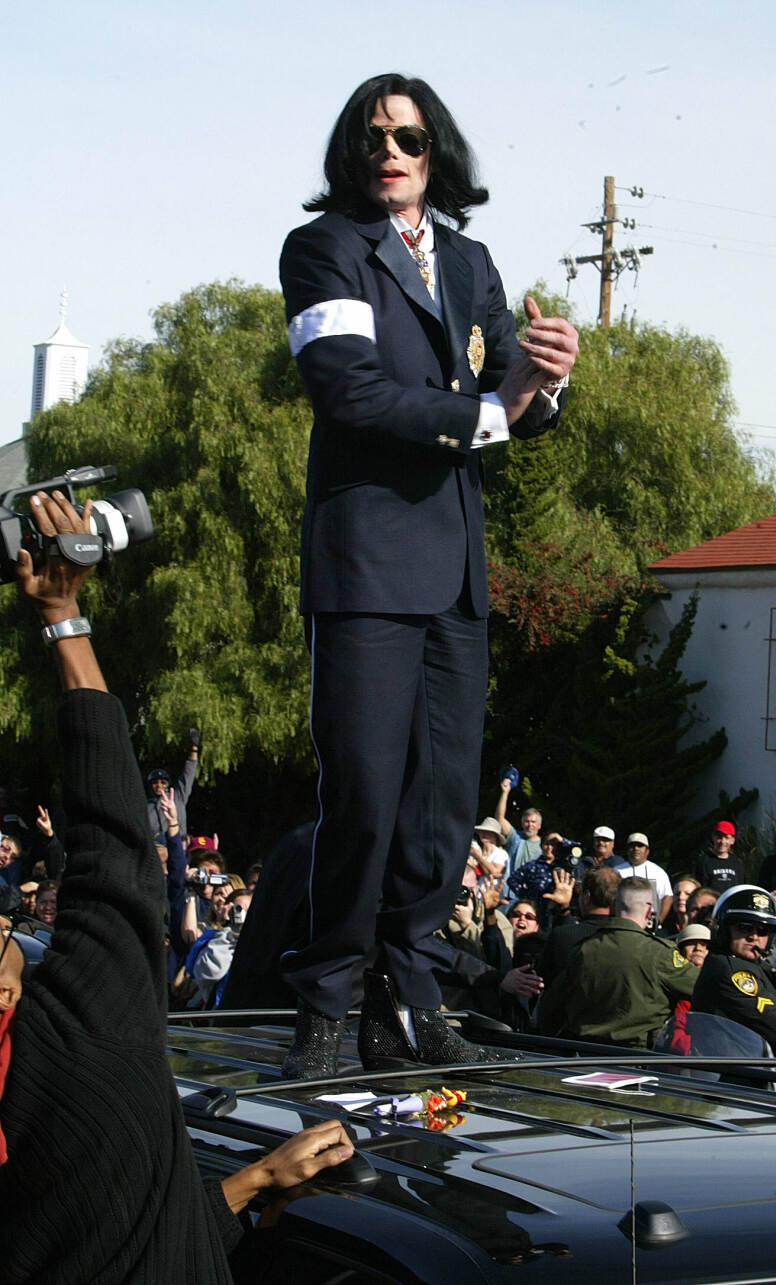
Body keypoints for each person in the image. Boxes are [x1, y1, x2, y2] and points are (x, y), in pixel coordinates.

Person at [278, 72, 578, 1078]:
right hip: (364, 565)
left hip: (453, 575)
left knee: (444, 809)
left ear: (435, 149)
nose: (390, 149)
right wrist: (494, 412)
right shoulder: (321, 250)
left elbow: (518, 403)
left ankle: (408, 993)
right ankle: (325, 1001)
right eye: (374, 136)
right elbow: (351, 395)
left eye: (408, 135)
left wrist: (546, 379)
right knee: (362, 791)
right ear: (354, 153)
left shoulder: (472, 259)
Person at [0, 489, 353, 1283]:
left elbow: (125, 1228)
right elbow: (117, 842)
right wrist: (63, 617)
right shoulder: (86, 1029)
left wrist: (254, 1181)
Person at [539, 876, 698, 1048]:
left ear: (614, 906)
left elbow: (550, 1012)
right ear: (648, 911)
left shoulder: (583, 950)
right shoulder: (660, 954)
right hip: (637, 1061)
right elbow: (704, 987)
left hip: (584, 1058)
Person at [691, 884, 776, 1056]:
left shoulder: (756, 966)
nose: (754, 936)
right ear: (725, 929)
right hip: (741, 1077)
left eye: (763, 930)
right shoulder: (730, 971)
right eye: (744, 927)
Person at [610, 833, 673, 925]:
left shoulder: (658, 872)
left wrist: (659, 921)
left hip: (650, 922)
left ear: (647, 851)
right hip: (623, 922)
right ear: (627, 850)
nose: (636, 849)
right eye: (632, 846)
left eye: (640, 845)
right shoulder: (616, 871)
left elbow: (667, 897)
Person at [693, 821, 746, 892]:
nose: (722, 842)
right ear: (713, 837)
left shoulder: (737, 863)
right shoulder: (703, 861)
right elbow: (699, 889)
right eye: (719, 837)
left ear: (732, 841)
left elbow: (741, 888)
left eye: (727, 838)